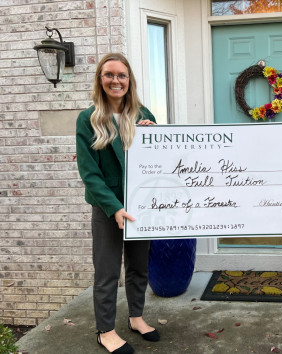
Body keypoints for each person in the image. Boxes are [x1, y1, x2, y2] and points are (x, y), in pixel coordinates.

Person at [76, 53, 159, 354]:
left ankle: (136, 317)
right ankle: (106, 331)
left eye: (122, 75)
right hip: (108, 209)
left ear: (129, 81)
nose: (116, 80)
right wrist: (113, 207)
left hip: (139, 207)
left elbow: (157, 163)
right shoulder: (88, 119)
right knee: (108, 272)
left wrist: (155, 137)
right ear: (100, 79)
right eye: (109, 74)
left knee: (138, 267)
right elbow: (90, 173)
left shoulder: (142, 113)